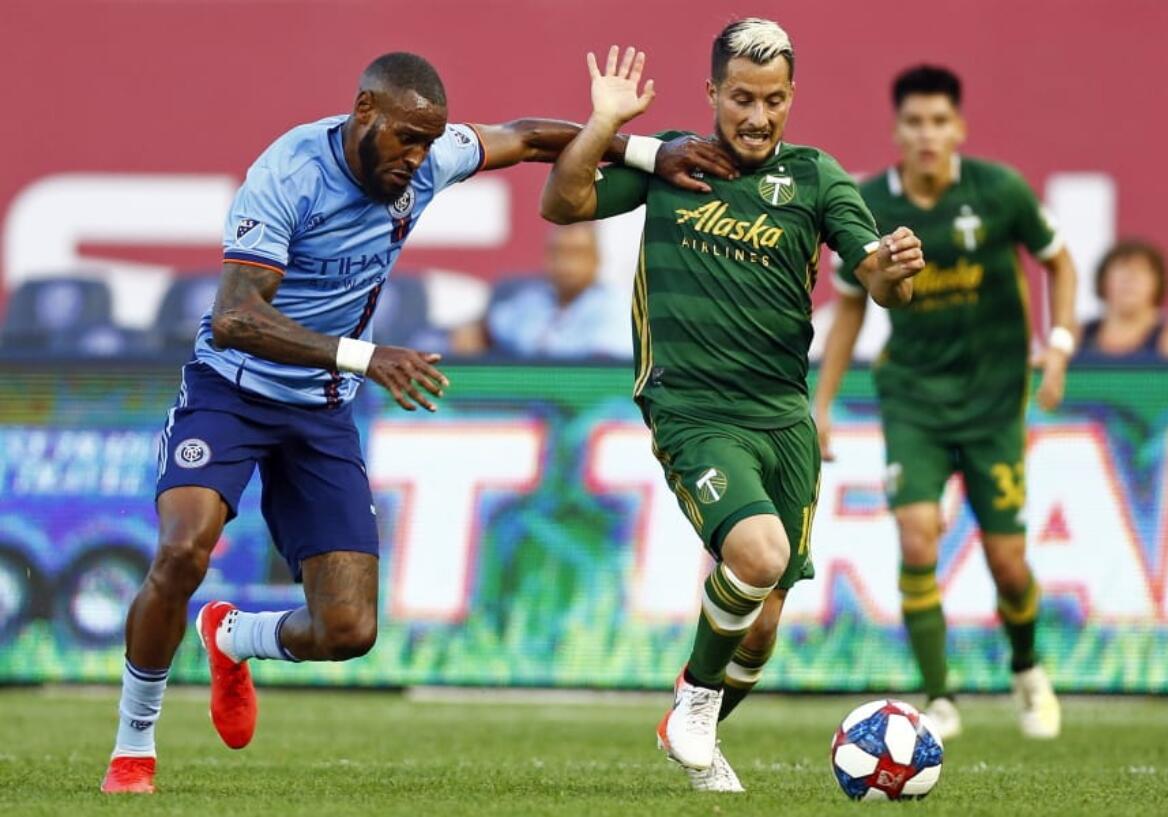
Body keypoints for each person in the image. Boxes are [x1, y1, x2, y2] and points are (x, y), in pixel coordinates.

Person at [100, 51, 738, 795]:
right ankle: (133, 743)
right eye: (406, 138)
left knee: (348, 631)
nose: (418, 157)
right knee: (182, 551)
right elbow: (237, 316)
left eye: (430, 141)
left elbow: (528, 138)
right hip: (231, 391)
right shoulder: (288, 173)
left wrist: (648, 151)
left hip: (320, 407)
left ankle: (231, 635)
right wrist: (364, 356)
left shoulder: (428, 162)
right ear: (363, 111)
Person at [541, 20, 925, 792]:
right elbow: (562, 199)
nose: (757, 116)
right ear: (712, 92)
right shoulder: (678, 163)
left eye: (774, 99)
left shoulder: (817, 177)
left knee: (765, 622)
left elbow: (877, 277)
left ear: (792, 98)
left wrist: (893, 269)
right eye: (742, 97)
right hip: (692, 408)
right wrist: (606, 126)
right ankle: (696, 698)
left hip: (781, 419)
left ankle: (697, 721)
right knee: (756, 557)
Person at [815, 65, 1080, 741]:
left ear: (958, 127)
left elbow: (1061, 261)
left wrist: (1058, 342)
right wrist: (822, 403)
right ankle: (939, 697)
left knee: (1007, 560)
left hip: (994, 404)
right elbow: (848, 305)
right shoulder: (869, 202)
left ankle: (1027, 669)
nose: (927, 134)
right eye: (914, 122)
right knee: (915, 534)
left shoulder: (1000, 191)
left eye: (939, 121)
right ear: (897, 130)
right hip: (914, 401)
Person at [450, 222, 629, 358]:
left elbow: (605, 367)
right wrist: (471, 338)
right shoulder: (532, 302)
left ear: (596, 259)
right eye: (557, 252)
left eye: (576, 253)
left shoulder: (614, 307)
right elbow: (485, 330)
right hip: (526, 398)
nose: (565, 263)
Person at [1078, 240, 1168, 360]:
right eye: (1121, 270)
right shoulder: (1078, 334)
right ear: (1103, 281)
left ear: (1157, 284)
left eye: (1141, 271)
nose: (1130, 279)